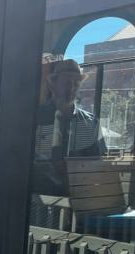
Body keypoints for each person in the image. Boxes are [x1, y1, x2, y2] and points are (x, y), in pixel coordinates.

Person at [34, 58, 107, 196]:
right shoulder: (35, 119)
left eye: (76, 83)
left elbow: (98, 163)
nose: (72, 88)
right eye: (67, 83)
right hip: (39, 196)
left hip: (78, 197)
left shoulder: (91, 123)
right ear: (53, 85)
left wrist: (74, 168)